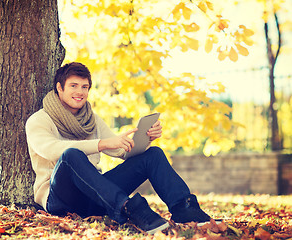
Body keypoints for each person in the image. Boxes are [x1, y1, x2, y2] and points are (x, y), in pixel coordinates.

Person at [25, 62, 211, 234]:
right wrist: (102, 144)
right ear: (60, 87)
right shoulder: (39, 120)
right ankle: (131, 209)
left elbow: (121, 151)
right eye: (73, 86)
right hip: (61, 200)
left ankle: (184, 209)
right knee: (70, 156)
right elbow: (50, 150)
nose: (80, 92)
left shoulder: (91, 120)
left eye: (84, 87)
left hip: (96, 197)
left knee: (153, 154)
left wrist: (146, 139)